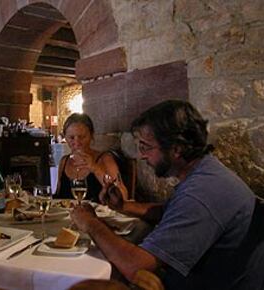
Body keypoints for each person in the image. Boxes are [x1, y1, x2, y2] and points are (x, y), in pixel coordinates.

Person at [70, 100, 259, 289]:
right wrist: (124, 206)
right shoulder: (207, 172)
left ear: (176, 149)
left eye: (145, 147)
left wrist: (90, 223)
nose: (142, 156)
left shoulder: (200, 194)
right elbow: (173, 211)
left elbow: (135, 265)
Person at [55, 113, 128, 202]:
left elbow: (123, 196)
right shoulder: (64, 161)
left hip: (97, 215)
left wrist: (95, 168)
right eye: (71, 137)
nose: (77, 142)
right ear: (65, 138)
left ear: (91, 135)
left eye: (82, 137)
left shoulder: (105, 159)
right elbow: (58, 197)